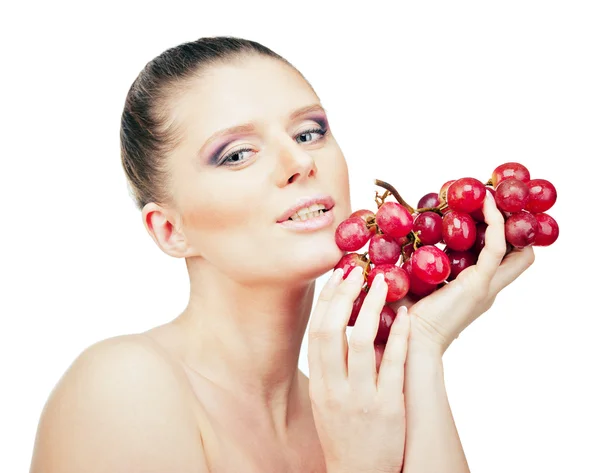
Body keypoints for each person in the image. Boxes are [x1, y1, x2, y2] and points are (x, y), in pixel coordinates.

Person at [29, 36, 535, 473]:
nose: (299, 162)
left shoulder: (355, 407)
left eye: (309, 132)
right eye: (236, 153)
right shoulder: (122, 388)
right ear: (170, 231)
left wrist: (421, 345)